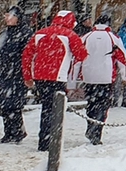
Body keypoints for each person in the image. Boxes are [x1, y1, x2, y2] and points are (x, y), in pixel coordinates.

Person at [22, 10, 88, 152]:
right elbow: (82, 55)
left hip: (40, 76)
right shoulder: (70, 35)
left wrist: (28, 76)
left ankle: (44, 139)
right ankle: (51, 140)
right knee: (55, 110)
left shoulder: (40, 33)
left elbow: (27, 55)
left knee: (46, 108)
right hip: (58, 76)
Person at [77, 14, 126, 145]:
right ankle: (97, 132)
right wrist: (125, 76)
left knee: (91, 103)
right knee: (103, 105)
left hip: (89, 75)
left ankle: (90, 126)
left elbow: (77, 58)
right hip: (106, 76)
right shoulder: (113, 37)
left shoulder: (86, 37)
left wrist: (73, 78)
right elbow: (122, 57)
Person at [0, 6, 31, 144]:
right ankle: (8, 132)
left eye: (10, 15)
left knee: (14, 104)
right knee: (4, 104)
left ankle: (17, 132)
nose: (7, 18)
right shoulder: (5, 33)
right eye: (6, 15)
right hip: (4, 72)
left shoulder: (25, 33)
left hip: (17, 73)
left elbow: (27, 54)